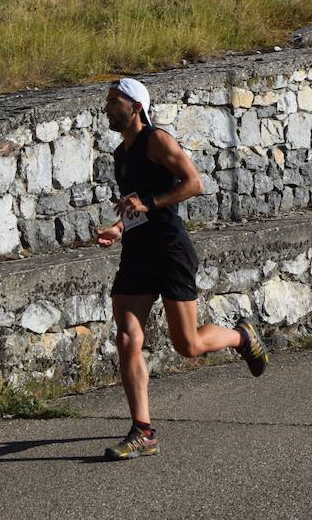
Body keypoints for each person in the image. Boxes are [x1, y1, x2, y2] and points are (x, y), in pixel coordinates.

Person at [97, 78, 270, 460]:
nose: (107, 108)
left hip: (171, 249)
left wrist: (152, 202)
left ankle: (242, 337)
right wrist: (119, 226)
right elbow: (135, 206)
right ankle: (143, 432)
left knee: (187, 345)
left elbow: (194, 184)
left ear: (136, 107)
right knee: (127, 336)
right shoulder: (120, 155)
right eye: (107, 102)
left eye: (114, 102)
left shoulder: (157, 141)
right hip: (137, 252)